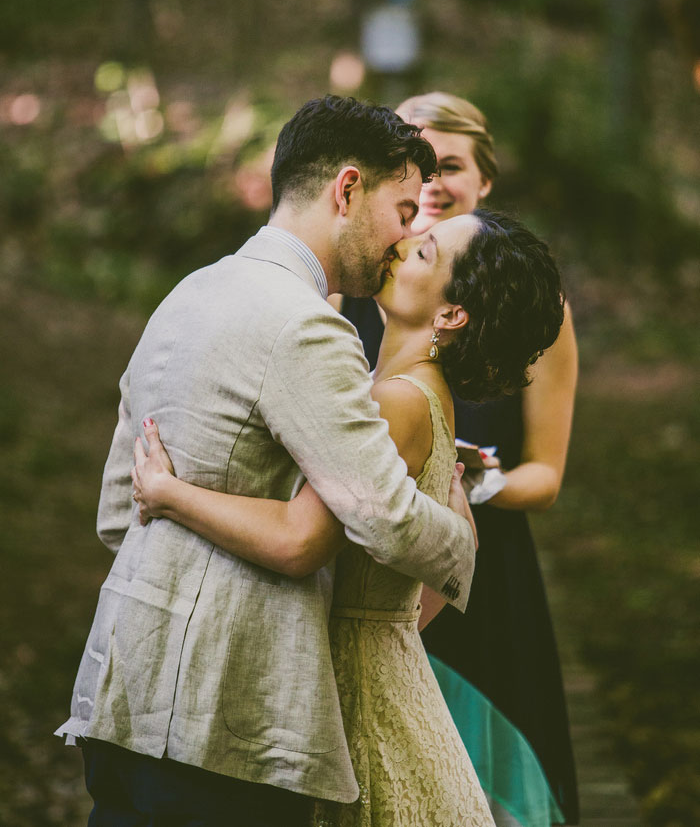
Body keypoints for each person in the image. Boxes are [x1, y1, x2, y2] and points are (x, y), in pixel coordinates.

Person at [56, 95, 481, 827]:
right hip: (227, 718)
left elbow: (117, 513)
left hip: (120, 690)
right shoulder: (308, 327)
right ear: (347, 189)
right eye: (403, 209)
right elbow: (374, 514)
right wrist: (462, 539)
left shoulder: (185, 297)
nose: (407, 234)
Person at [131, 209, 566, 827]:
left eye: (424, 252)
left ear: (451, 315)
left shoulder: (395, 404)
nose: (403, 242)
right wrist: (387, 621)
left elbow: (296, 535)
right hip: (383, 666)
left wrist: (168, 493)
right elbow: (438, 567)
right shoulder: (409, 392)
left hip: (351, 689)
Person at [342, 92, 579, 827]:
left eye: (449, 164)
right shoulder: (359, 283)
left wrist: (471, 482)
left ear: (484, 182)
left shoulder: (530, 307)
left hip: (481, 568)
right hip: (384, 570)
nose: (431, 181)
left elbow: (547, 471)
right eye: (415, 165)